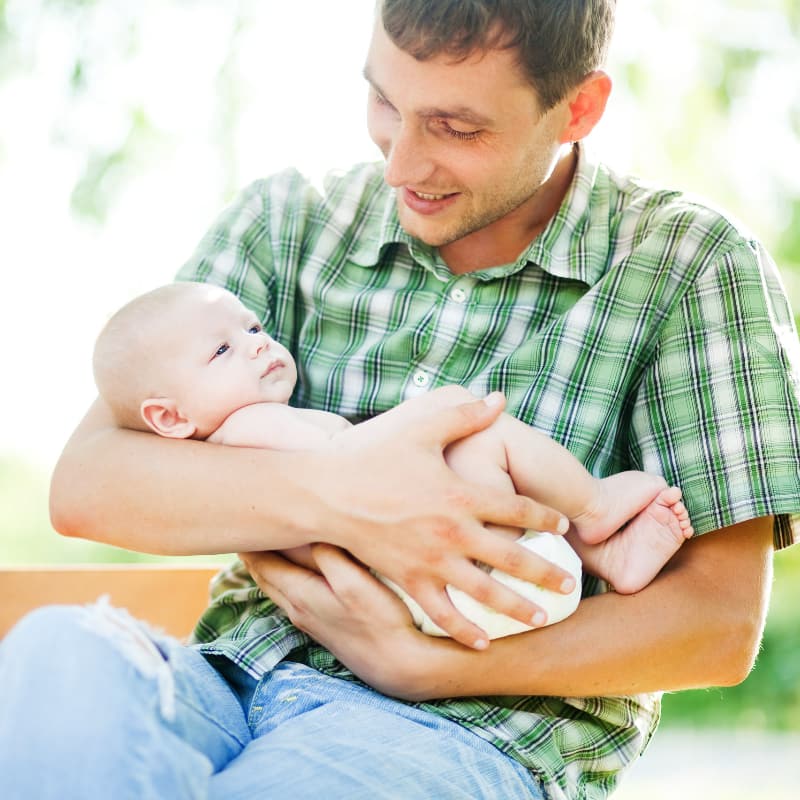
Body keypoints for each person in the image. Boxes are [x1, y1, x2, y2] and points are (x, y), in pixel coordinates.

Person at [2, 1, 798, 798]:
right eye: (385, 101)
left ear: (578, 108)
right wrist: (344, 495)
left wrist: (425, 667)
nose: (399, 164)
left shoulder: (691, 265)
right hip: (225, 681)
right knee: (56, 656)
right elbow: (91, 483)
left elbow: (719, 627)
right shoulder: (289, 221)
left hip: (460, 732)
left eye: (456, 127)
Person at [91, 279, 693, 636]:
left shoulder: (234, 466)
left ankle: (594, 550)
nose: (256, 344)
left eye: (252, 328)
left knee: (475, 456)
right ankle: (595, 510)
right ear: (169, 418)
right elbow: (352, 472)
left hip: (443, 594)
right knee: (475, 423)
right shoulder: (249, 431)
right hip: (432, 581)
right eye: (222, 349)